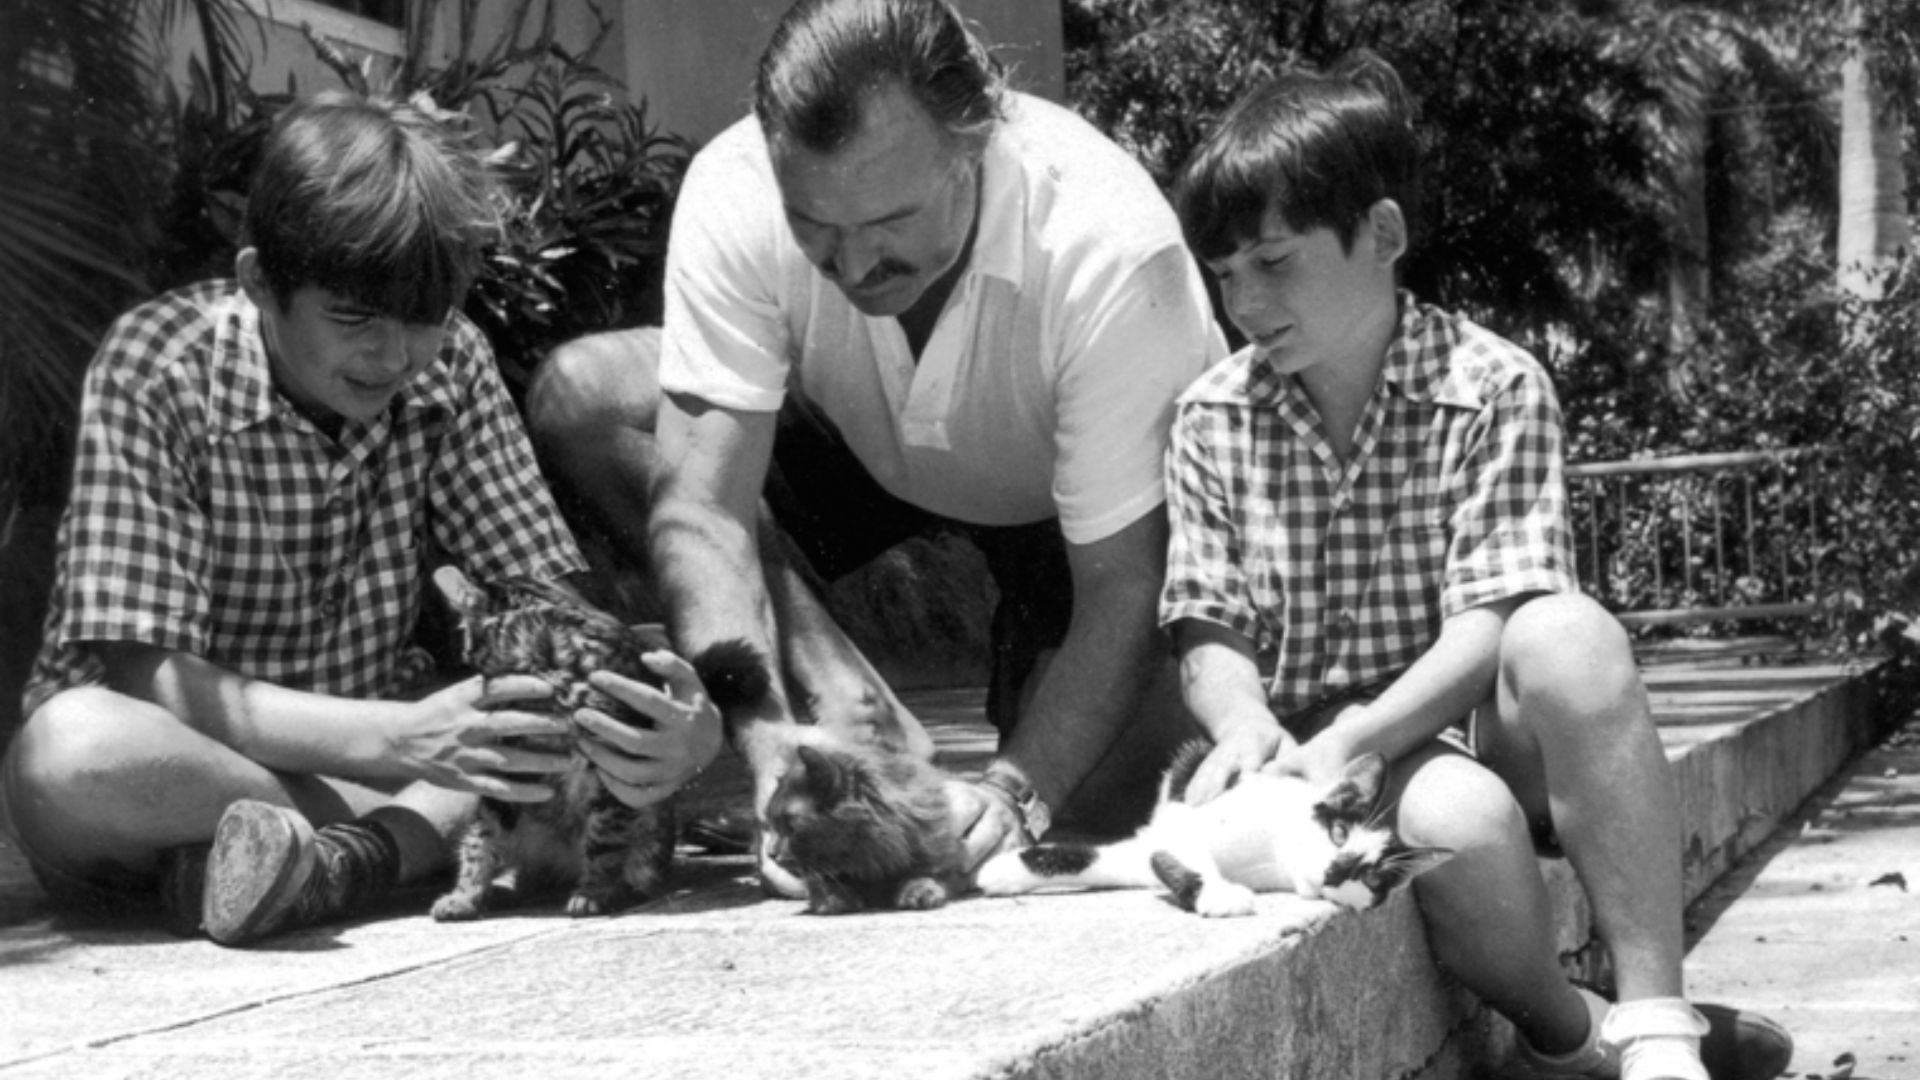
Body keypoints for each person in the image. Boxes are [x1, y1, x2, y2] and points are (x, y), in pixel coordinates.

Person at [1159, 54, 1791, 1080]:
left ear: (1383, 238)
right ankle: (1571, 1037)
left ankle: (1661, 1024)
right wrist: (1243, 723)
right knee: (1465, 826)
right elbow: (1205, 623)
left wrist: (1367, 734)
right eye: (1224, 275)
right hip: (1314, 761)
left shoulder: (1493, 385)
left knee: (1570, 633)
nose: (1244, 301)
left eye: (1273, 263)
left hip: (1461, 722)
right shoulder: (1210, 417)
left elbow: (1494, 616)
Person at [526, 0, 1226, 892]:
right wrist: (766, 732)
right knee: (593, 399)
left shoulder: (1112, 252)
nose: (854, 267)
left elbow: (1126, 588)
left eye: (889, 220)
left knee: (1091, 815)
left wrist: (1016, 791)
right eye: (815, 226)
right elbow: (703, 509)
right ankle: (846, 694)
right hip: (862, 438)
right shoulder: (736, 185)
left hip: (1077, 524)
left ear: (976, 144)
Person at [0, 91, 721, 948]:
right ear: (261, 281)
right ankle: (373, 851)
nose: (394, 356)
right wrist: (405, 737)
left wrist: (682, 728)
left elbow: (553, 607)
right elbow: (147, 673)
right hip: (180, 775)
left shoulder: (449, 366)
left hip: (379, 763)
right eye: (353, 319)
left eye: (425, 319)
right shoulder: (159, 364)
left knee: (523, 733)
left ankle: (304, 868)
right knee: (67, 749)